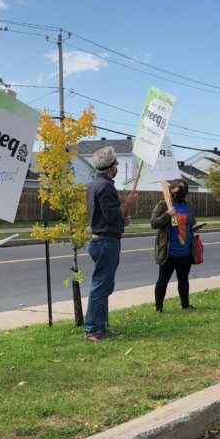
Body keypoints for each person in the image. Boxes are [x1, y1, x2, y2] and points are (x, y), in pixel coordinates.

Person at [84, 146, 138, 341]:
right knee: (101, 285)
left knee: (104, 285)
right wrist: (127, 204)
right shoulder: (106, 186)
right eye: (115, 165)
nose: (116, 168)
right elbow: (111, 216)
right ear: (111, 167)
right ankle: (92, 330)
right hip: (106, 241)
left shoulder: (94, 185)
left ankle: (100, 326)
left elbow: (106, 216)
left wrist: (121, 218)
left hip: (100, 238)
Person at [151, 178, 203, 312]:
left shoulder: (188, 206)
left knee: (183, 279)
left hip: (185, 250)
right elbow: (154, 223)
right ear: (171, 189)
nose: (182, 190)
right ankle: (159, 308)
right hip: (169, 250)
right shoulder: (164, 205)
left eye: (185, 188)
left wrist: (195, 227)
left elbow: (190, 223)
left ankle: (185, 305)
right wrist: (168, 214)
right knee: (163, 279)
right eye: (179, 187)